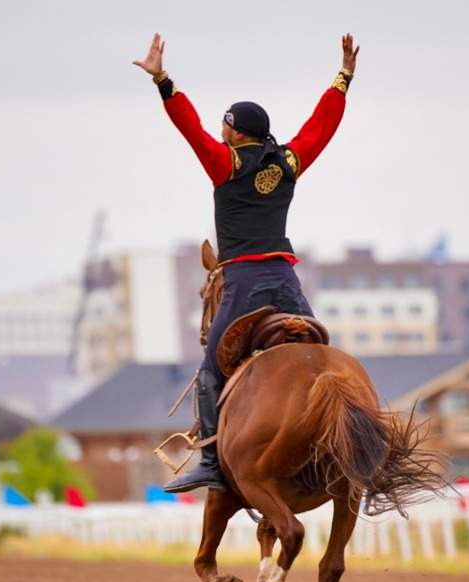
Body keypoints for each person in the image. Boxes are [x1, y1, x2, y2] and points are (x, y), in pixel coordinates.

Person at [133, 32, 360, 493]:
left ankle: (214, 463)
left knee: (210, 372)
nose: (219, 131)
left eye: (225, 125)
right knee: (322, 358)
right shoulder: (290, 161)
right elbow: (321, 127)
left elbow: (189, 128)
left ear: (235, 132)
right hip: (286, 282)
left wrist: (163, 80)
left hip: (241, 284)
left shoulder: (224, 163)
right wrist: (343, 78)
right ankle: (347, 450)